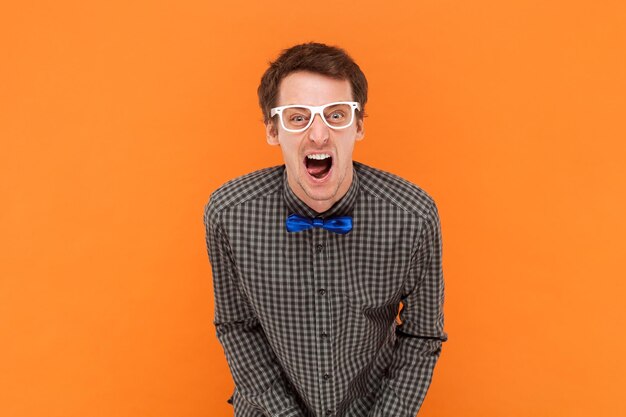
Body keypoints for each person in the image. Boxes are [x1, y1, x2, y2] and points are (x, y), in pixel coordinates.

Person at [204, 42, 448, 417]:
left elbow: (422, 335)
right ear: (272, 129)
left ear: (359, 125)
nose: (318, 135)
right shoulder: (228, 214)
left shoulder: (413, 217)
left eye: (336, 115)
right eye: (298, 117)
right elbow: (237, 325)